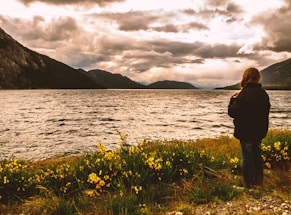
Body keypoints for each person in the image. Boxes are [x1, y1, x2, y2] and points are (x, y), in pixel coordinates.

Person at [228, 67, 270, 188]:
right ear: (258, 78)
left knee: (247, 155)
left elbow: (232, 113)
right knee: (256, 153)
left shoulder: (243, 94)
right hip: (259, 130)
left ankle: (248, 184)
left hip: (245, 131)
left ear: (245, 77)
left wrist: (232, 100)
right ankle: (258, 181)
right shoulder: (263, 93)